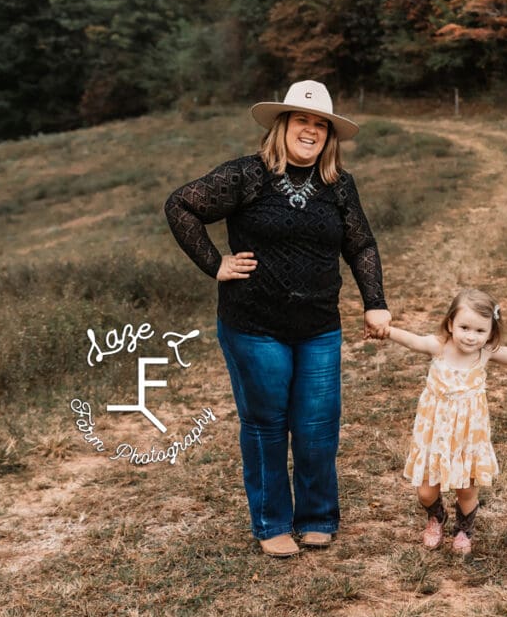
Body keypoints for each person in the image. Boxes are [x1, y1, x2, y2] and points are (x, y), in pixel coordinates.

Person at [165, 80, 391, 557]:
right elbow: (181, 205)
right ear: (282, 126)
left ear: (329, 136)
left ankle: (316, 517)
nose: (310, 131)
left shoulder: (339, 185)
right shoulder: (247, 176)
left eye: (320, 125)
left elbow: (361, 245)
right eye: (302, 121)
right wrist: (216, 264)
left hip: (319, 327)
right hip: (254, 325)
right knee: (267, 424)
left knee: (317, 426)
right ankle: (271, 523)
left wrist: (375, 301)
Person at [380, 289, 507, 555]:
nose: (471, 336)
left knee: (466, 491)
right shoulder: (438, 347)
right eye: (464, 327)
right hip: (434, 433)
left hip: (467, 437)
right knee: (426, 492)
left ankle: (464, 529)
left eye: (480, 331)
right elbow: (412, 340)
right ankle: (436, 516)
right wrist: (385, 330)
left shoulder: (484, 354)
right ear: (450, 324)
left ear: (490, 333)